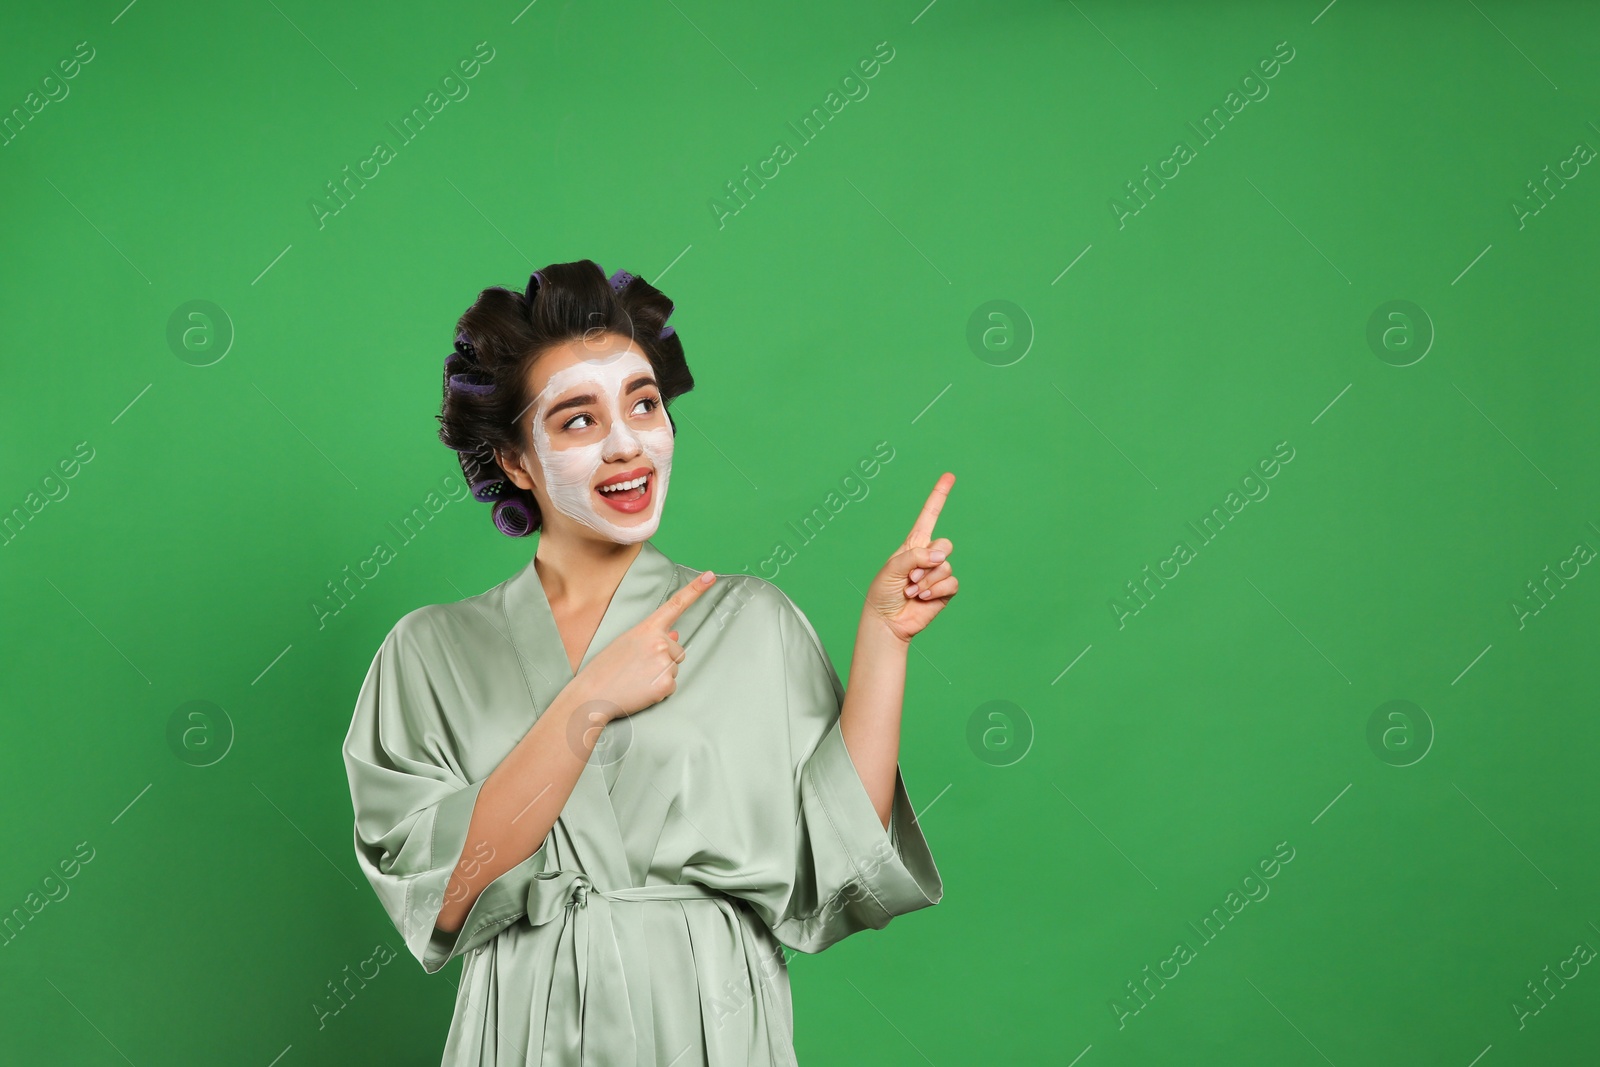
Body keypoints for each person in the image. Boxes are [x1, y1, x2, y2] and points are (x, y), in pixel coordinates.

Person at [342, 259, 956, 1065]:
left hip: (712, 1018)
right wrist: (584, 705)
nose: (627, 443)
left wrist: (884, 641)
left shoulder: (749, 619)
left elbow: (838, 865)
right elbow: (445, 897)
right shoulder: (429, 651)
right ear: (516, 460)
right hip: (525, 1023)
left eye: (643, 403)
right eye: (577, 421)